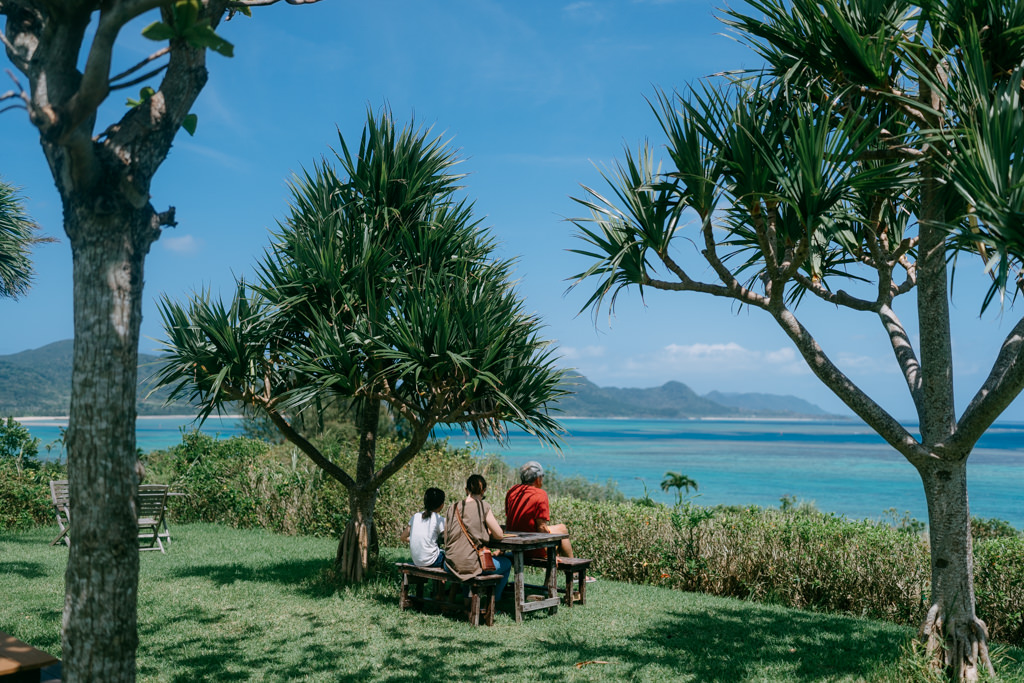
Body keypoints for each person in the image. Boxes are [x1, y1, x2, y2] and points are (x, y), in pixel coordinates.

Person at [444, 474, 512, 603]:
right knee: (507, 563)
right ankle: (493, 603)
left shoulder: (452, 508)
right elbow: (499, 535)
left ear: (466, 489)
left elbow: (446, 536)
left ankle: (467, 600)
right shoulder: (483, 506)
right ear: (483, 491)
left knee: (468, 558)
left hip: (450, 564)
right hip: (469, 565)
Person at [505, 460, 574, 559]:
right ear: (538, 479)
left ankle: (570, 568)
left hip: (514, 544)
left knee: (557, 531)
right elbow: (541, 527)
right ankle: (573, 570)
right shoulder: (539, 494)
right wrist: (549, 553)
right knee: (562, 528)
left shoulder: (512, 490)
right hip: (532, 546)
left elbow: (509, 519)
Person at [401, 487, 446, 568]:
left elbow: (403, 537)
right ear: (442, 505)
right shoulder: (439, 519)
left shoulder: (415, 516)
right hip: (432, 561)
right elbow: (449, 540)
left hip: (417, 561)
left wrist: (417, 540)